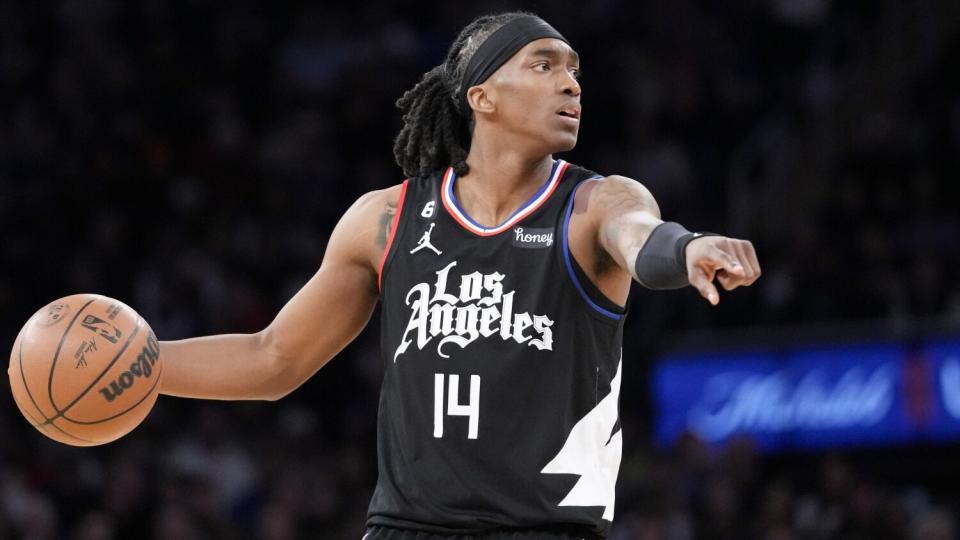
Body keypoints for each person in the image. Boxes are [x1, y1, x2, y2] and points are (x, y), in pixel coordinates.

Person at [159, 11, 761, 540]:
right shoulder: (385, 218)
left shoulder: (593, 204)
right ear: (483, 95)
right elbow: (273, 359)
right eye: (544, 65)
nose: (572, 83)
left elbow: (641, 238)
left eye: (575, 70)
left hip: (545, 530)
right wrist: (145, 365)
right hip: (405, 529)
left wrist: (687, 249)